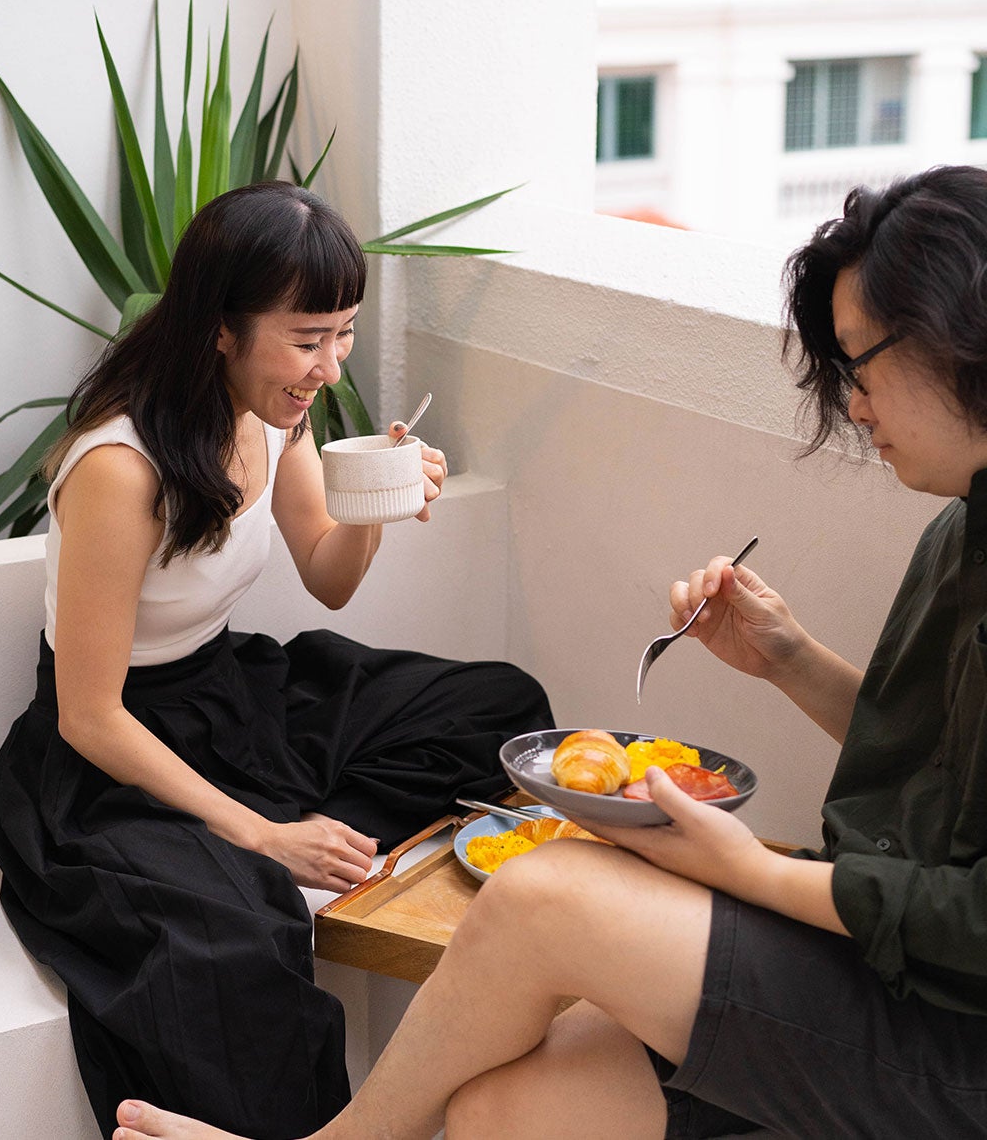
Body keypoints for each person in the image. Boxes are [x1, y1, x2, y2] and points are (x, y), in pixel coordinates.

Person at [108, 165, 987, 1140]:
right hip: (872, 954)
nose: (852, 408)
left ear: (958, 335)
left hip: (944, 1027)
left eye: (858, 368)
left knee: (541, 892)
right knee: (501, 1105)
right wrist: (785, 657)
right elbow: (929, 749)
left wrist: (748, 872)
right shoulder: (956, 528)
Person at [0, 181, 553, 1140]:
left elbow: (328, 575)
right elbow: (90, 714)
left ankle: (288, 848)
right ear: (220, 326)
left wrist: (377, 505)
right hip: (112, 749)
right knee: (229, 942)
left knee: (501, 706)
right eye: (307, 337)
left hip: (229, 690)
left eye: (343, 333)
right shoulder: (120, 464)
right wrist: (257, 834)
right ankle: (258, 863)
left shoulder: (276, 409)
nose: (330, 366)